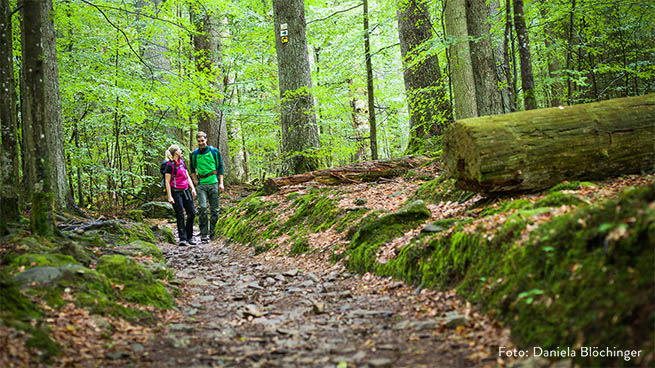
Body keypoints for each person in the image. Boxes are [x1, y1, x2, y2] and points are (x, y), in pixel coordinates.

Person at [189, 131, 224, 243]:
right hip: (201, 185)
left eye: (202, 141)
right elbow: (192, 168)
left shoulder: (214, 152)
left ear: (206, 139)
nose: (201, 143)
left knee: (215, 210)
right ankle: (204, 234)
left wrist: (221, 183)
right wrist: (195, 180)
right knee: (202, 208)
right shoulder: (194, 154)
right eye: (199, 141)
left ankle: (213, 233)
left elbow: (220, 167)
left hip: (213, 182)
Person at [164, 144, 197, 246]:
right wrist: (169, 196)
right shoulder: (169, 165)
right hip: (176, 191)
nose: (181, 152)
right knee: (180, 215)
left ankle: (190, 236)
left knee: (191, 213)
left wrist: (193, 188)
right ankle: (182, 238)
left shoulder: (182, 163)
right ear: (176, 153)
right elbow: (167, 181)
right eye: (179, 150)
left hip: (186, 190)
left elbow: (187, 176)